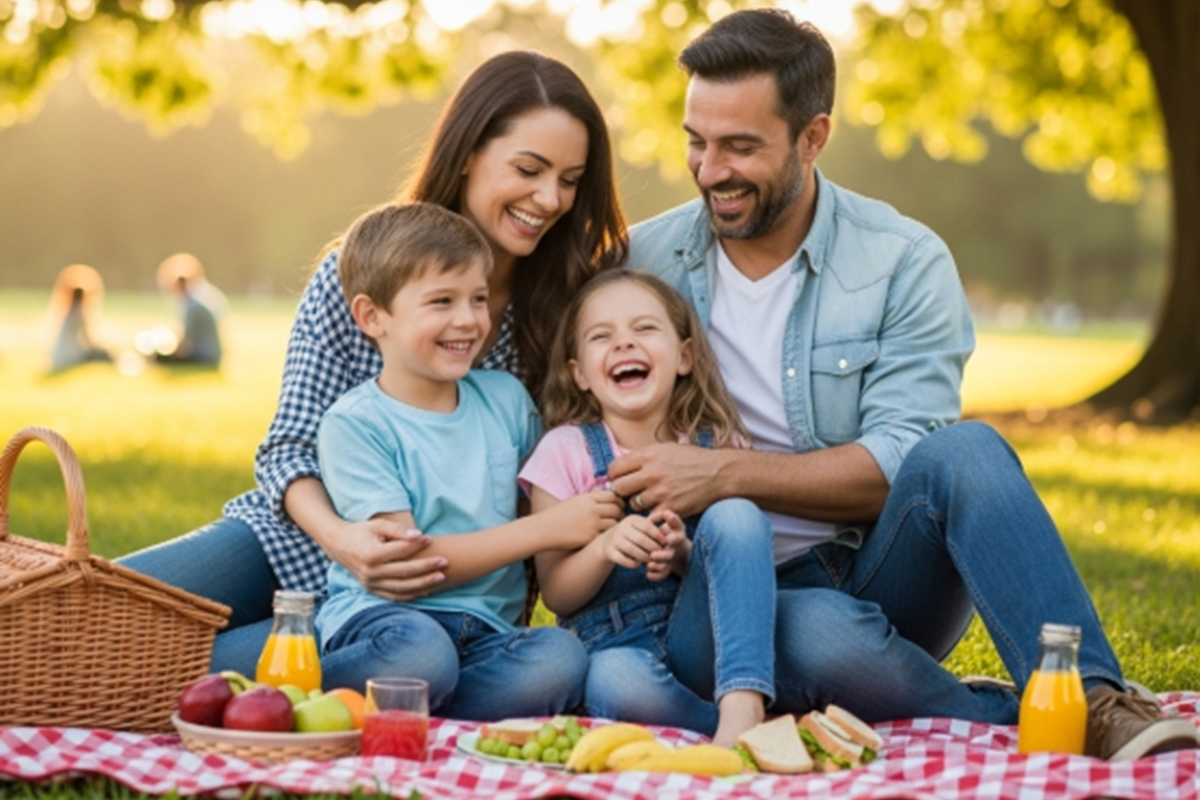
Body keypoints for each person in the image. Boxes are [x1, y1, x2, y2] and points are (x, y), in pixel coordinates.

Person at [611, 8, 1199, 760]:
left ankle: (1090, 699)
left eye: (741, 146)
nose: (710, 169)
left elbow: (900, 462)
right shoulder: (641, 262)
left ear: (813, 137)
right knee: (815, 632)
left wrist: (722, 474)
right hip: (716, 596)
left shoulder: (902, 260)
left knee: (965, 452)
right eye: (697, 141)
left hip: (875, 571)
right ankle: (993, 714)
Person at [117, 50, 628, 679]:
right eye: (528, 168)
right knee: (100, 609)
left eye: (571, 179)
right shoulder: (357, 277)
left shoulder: (566, 310)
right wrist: (345, 541)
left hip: (440, 600)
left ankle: (175, 678)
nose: (549, 198)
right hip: (296, 542)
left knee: (150, 664)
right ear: (468, 153)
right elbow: (289, 448)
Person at [314, 202, 617, 715]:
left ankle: (419, 706)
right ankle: (299, 685)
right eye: (441, 301)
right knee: (423, 656)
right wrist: (550, 529)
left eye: (478, 299)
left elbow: (543, 511)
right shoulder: (357, 423)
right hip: (389, 622)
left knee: (562, 658)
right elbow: (411, 565)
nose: (467, 320)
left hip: (487, 636)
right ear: (372, 317)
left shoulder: (506, 400)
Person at [521, 269, 775, 745]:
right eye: (602, 336)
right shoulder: (563, 452)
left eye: (643, 328)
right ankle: (722, 728)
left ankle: (744, 704)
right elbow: (556, 593)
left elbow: (742, 563)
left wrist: (683, 557)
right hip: (617, 650)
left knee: (737, 517)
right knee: (613, 679)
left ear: (684, 357)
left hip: (705, 644)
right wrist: (602, 548)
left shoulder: (719, 446)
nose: (623, 344)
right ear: (578, 373)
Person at [149, 253, 226, 366]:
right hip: (211, 355)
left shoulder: (193, 306)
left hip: (205, 357)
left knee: (160, 358)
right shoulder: (200, 298)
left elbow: (186, 341)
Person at [47, 264, 113, 373]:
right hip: (71, 357)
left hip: (60, 356)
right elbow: (88, 339)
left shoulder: (67, 311)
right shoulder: (78, 313)